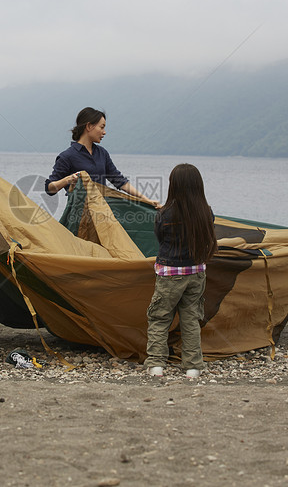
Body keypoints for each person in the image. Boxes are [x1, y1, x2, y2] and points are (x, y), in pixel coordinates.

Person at [144, 163, 218, 379]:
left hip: (169, 275)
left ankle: (156, 365)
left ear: (173, 186)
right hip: (196, 273)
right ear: (198, 186)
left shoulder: (164, 214)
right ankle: (193, 367)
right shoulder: (207, 213)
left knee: (159, 318)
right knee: (191, 320)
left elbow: (161, 240)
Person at [45, 107, 160, 207]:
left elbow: (120, 181)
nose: (104, 132)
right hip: (79, 216)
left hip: (102, 214)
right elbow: (50, 188)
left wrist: (146, 200)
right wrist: (68, 179)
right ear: (89, 126)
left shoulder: (102, 153)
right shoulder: (67, 156)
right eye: (102, 127)